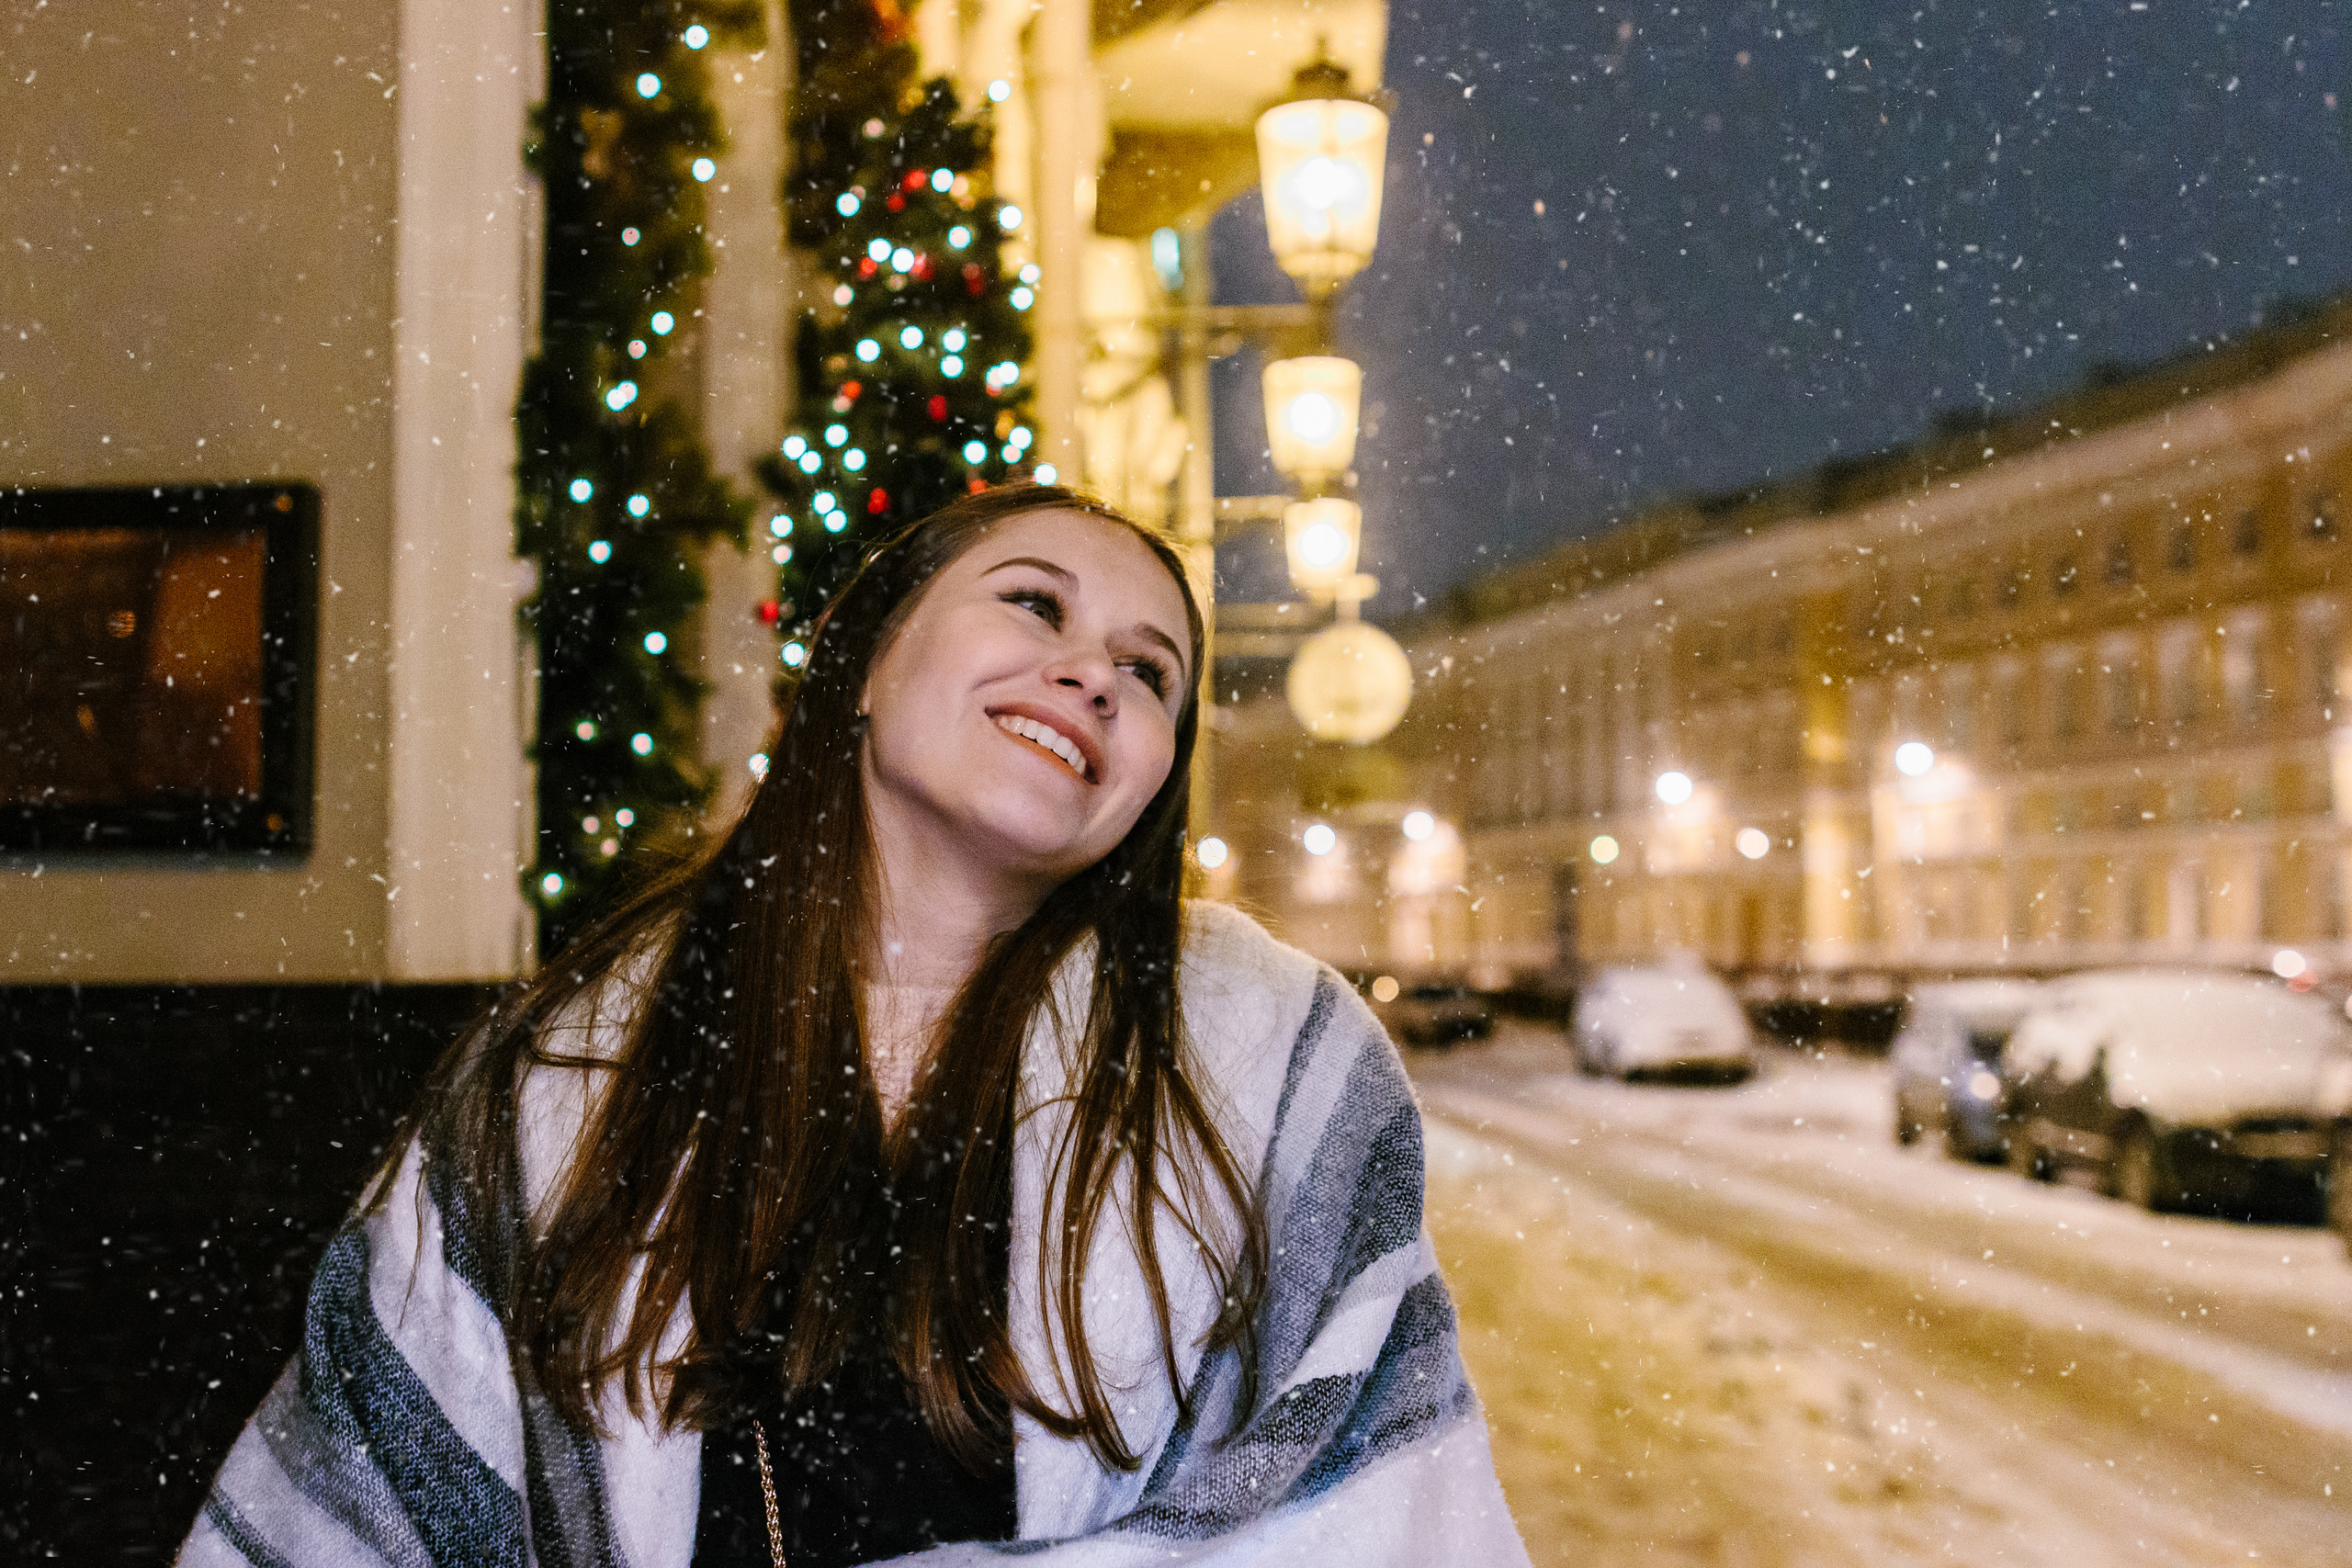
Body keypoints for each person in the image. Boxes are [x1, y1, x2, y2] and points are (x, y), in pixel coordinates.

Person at [178, 484, 1529, 1567]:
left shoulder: (1271, 1064)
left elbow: (1373, 1494)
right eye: (1033, 605)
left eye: (1150, 672)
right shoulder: (569, 1072)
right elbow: (372, 1485)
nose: (1093, 675)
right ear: (869, 661)